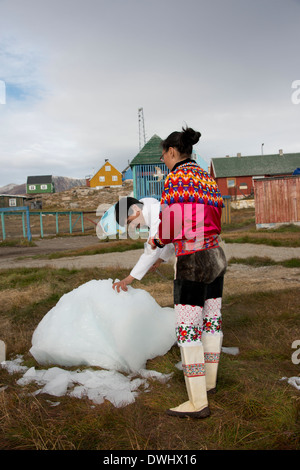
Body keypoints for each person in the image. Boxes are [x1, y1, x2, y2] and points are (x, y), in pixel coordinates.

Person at [149, 126, 227, 419]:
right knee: (211, 322)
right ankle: (208, 383)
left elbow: (169, 229)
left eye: (164, 157)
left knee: (188, 330)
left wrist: (156, 240)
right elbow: (217, 217)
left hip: (193, 261)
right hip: (216, 255)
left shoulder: (175, 180)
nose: (164, 163)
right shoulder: (207, 178)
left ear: (172, 152)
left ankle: (197, 403)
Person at [99, 196, 174, 292]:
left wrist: (129, 278)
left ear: (135, 208)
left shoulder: (156, 214)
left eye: (130, 221)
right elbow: (170, 241)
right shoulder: (152, 208)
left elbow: (151, 252)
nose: (133, 226)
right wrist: (160, 259)